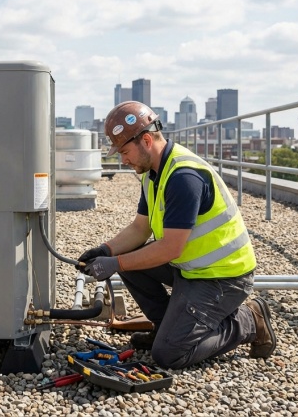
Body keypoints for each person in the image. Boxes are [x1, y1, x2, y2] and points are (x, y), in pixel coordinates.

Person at [77, 101, 276, 369]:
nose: (122, 159)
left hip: (222, 277)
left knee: (169, 355)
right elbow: (141, 228)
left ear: (146, 140)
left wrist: (117, 264)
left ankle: (250, 320)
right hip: (193, 268)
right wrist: (107, 251)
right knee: (126, 257)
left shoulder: (183, 177)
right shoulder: (153, 174)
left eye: (124, 151)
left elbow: (170, 248)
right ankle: (165, 328)